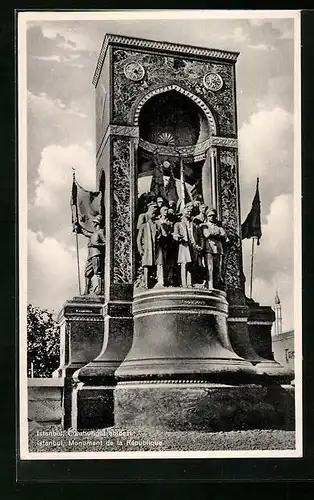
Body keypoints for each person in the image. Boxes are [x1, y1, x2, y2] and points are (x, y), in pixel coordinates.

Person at [173, 205, 204, 287]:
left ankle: (190, 283)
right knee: (184, 264)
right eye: (187, 211)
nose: (189, 213)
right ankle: (183, 283)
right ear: (183, 212)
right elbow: (175, 235)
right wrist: (178, 238)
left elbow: (200, 236)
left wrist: (200, 245)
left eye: (190, 212)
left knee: (191, 265)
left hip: (193, 246)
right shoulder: (178, 224)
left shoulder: (194, 225)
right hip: (184, 245)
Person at [201, 208, 228, 289]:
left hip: (218, 249)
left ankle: (216, 286)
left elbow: (223, 234)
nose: (212, 217)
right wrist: (217, 234)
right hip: (209, 249)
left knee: (218, 269)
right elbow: (207, 235)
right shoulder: (205, 226)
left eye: (213, 216)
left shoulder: (218, 226)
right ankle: (210, 285)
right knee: (209, 268)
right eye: (210, 216)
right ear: (207, 216)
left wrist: (213, 234)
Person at [136, 201, 158, 288]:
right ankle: (146, 282)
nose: (155, 210)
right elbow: (139, 229)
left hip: (153, 245)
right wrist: (140, 248)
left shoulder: (155, 222)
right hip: (146, 244)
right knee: (146, 263)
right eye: (154, 207)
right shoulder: (143, 216)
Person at [83, 214, 106, 295]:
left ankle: (101, 289)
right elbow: (85, 233)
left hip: (97, 254)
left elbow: (106, 243)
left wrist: (95, 244)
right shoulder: (93, 233)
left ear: (97, 223)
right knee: (87, 273)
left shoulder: (101, 231)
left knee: (98, 272)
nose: (93, 224)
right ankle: (86, 291)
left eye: (94, 222)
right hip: (91, 256)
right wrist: (77, 227)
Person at [155, 206, 173, 286]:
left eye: (167, 210)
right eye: (164, 210)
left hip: (169, 244)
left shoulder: (170, 222)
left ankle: (169, 279)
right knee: (160, 262)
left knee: (169, 262)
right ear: (161, 212)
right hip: (160, 244)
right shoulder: (157, 222)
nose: (166, 211)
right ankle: (160, 280)